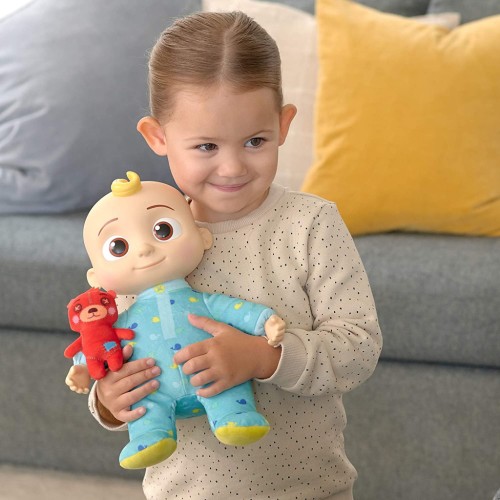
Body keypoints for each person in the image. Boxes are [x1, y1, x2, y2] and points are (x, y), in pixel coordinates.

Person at [83, 11, 382, 499]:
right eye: (206, 146)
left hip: (309, 490)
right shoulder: (140, 240)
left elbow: (358, 347)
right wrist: (109, 400)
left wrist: (265, 358)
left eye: (255, 141)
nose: (232, 166)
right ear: (157, 137)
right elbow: (111, 350)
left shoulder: (309, 223)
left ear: (283, 124)